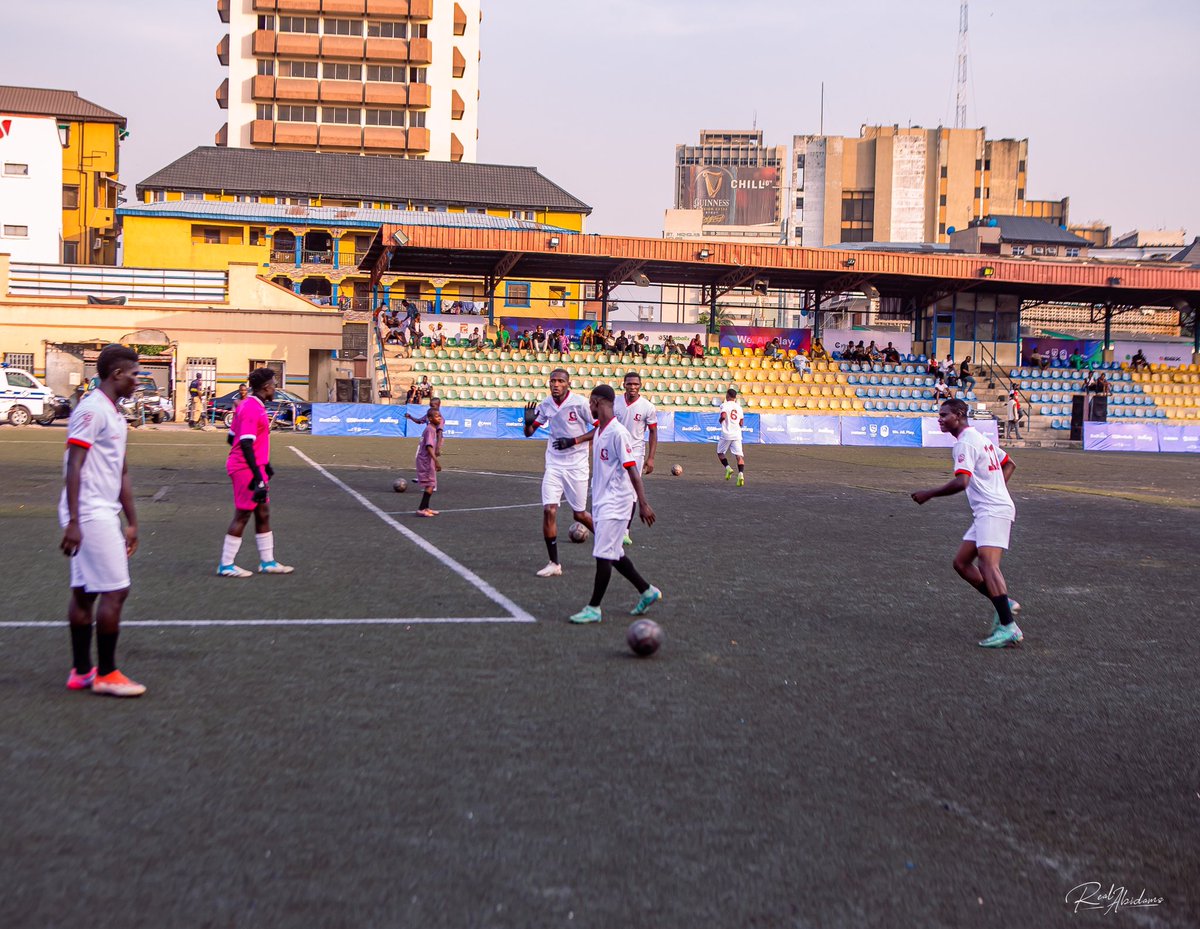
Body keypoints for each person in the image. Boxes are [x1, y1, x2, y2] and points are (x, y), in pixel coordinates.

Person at [59, 344, 146, 697]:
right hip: (88, 511)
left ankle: (81, 672)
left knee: (84, 592)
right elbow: (73, 465)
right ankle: (107, 674)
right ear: (117, 375)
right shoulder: (92, 410)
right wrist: (74, 521)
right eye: (136, 374)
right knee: (115, 590)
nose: (139, 381)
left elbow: (120, 470)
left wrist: (131, 521)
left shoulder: (115, 413)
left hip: (103, 511)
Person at [911, 398, 1022, 648]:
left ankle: (1009, 627)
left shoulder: (965, 443)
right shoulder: (979, 438)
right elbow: (1009, 463)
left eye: (944, 414)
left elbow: (962, 482)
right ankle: (1004, 604)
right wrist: (996, 489)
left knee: (987, 564)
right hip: (989, 508)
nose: (939, 419)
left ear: (959, 415)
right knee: (961, 563)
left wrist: (929, 494)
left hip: (992, 510)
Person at [564, 385, 660, 625]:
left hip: (616, 504)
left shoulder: (618, 433)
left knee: (603, 555)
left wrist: (644, 504)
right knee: (614, 554)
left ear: (598, 402)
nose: (589, 408)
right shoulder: (600, 432)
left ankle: (594, 607)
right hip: (602, 501)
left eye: (590, 404)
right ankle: (647, 591)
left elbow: (633, 471)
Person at [217, 366, 293, 578]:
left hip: (253, 466)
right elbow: (246, 444)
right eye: (275, 385)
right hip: (245, 469)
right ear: (267, 387)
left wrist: (264, 464)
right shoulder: (251, 408)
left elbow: (232, 438)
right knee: (243, 514)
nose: (276, 389)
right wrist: (258, 476)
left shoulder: (248, 405)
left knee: (263, 512)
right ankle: (226, 564)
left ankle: (267, 562)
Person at [524, 369, 595, 577]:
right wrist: (527, 422)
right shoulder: (546, 404)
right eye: (553, 381)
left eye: (560, 381)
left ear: (568, 384)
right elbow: (529, 434)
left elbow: (599, 428)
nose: (556, 384)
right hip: (554, 464)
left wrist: (574, 441)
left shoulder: (580, 403)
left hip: (577, 465)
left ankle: (611, 545)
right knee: (549, 510)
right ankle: (554, 563)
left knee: (579, 514)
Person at [413, 410, 443, 517]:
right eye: (436, 416)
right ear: (430, 419)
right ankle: (421, 509)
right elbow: (428, 447)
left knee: (431, 484)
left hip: (428, 460)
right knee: (430, 485)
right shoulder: (430, 430)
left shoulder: (433, 429)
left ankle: (426, 507)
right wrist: (436, 461)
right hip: (425, 460)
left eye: (440, 416)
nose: (439, 418)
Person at [718, 388, 746, 486]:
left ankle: (728, 468)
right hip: (737, 434)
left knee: (720, 453)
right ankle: (741, 474)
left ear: (727, 396)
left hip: (726, 434)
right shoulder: (739, 407)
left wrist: (721, 420)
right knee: (739, 456)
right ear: (735, 397)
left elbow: (724, 415)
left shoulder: (724, 405)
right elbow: (741, 422)